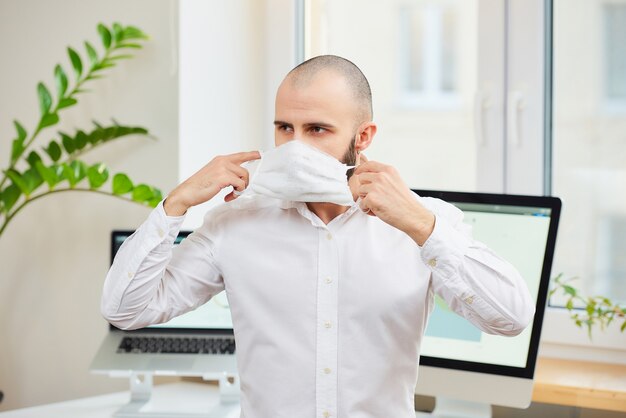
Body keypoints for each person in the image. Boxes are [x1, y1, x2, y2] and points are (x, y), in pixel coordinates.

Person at [101, 55, 534, 418]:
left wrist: (422, 227)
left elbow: (510, 317)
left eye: (317, 130)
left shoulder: (422, 223)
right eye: (284, 128)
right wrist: (175, 205)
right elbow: (125, 310)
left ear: (362, 137)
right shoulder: (234, 223)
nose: (295, 147)